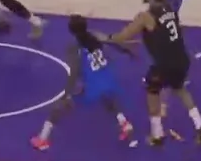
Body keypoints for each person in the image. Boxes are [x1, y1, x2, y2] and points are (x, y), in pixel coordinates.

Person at [109, 0, 201, 147]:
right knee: (180, 89)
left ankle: (157, 135)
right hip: (181, 59)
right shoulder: (170, 10)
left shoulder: (145, 16)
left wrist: (109, 38)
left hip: (164, 63)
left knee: (152, 92)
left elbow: (123, 36)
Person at [30, 15, 134, 150]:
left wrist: (66, 93)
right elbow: (112, 41)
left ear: (71, 30)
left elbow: (74, 73)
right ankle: (124, 123)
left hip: (92, 84)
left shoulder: (74, 47)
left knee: (58, 108)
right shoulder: (94, 34)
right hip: (107, 76)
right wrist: (127, 50)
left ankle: (43, 139)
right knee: (107, 98)